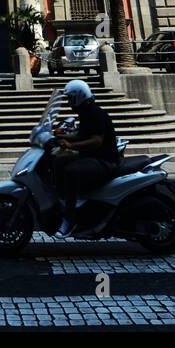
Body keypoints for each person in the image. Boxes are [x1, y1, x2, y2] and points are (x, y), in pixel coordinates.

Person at [52, 79, 119, 234]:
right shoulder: (86, 112)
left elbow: (96, 141)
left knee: (71, 170)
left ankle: (70, 219)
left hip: (104, 161)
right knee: (58, 162)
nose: (69, 103)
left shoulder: (95, 113)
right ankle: (65, 200)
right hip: (93, 158)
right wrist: (62, 137)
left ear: (79, 97)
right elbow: (83, 135)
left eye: (70, 99)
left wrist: (70, 145)